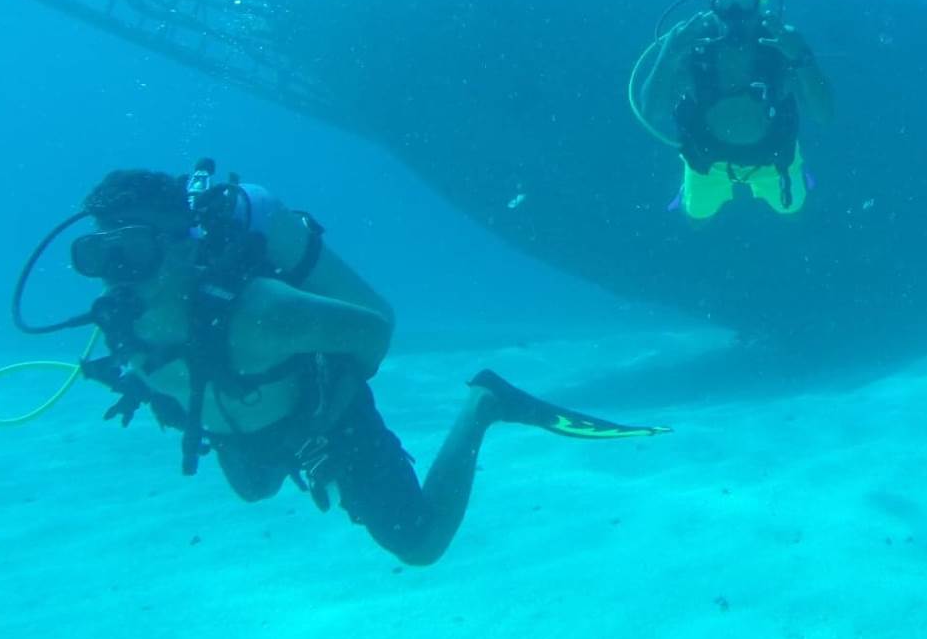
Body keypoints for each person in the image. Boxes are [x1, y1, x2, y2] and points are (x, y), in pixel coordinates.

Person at [36, 161, 667, 565]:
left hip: (320, 416)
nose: (119, 277)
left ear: (180, 245)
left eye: (135, 252)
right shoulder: (115, 320)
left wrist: (326, 415)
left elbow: (371, 330)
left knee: (418, 542)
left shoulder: (266, 312)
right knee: (253, 488)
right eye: (98, 257)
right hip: (241, 421)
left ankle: (485, 404)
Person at [628, 0, 834, 219]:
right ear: (712, 7)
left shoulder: (781, 49)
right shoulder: (692, 52)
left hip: (774, 161)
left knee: (792, 208)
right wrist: (668, 56)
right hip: (708, 164)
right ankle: (688, 196)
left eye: (743, 3)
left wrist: (803, 58)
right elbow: (652, 112)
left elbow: (823, 114)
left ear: (758, 5)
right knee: (697, 214)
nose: (735, 14)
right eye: (726, 4)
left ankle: (798, 175)